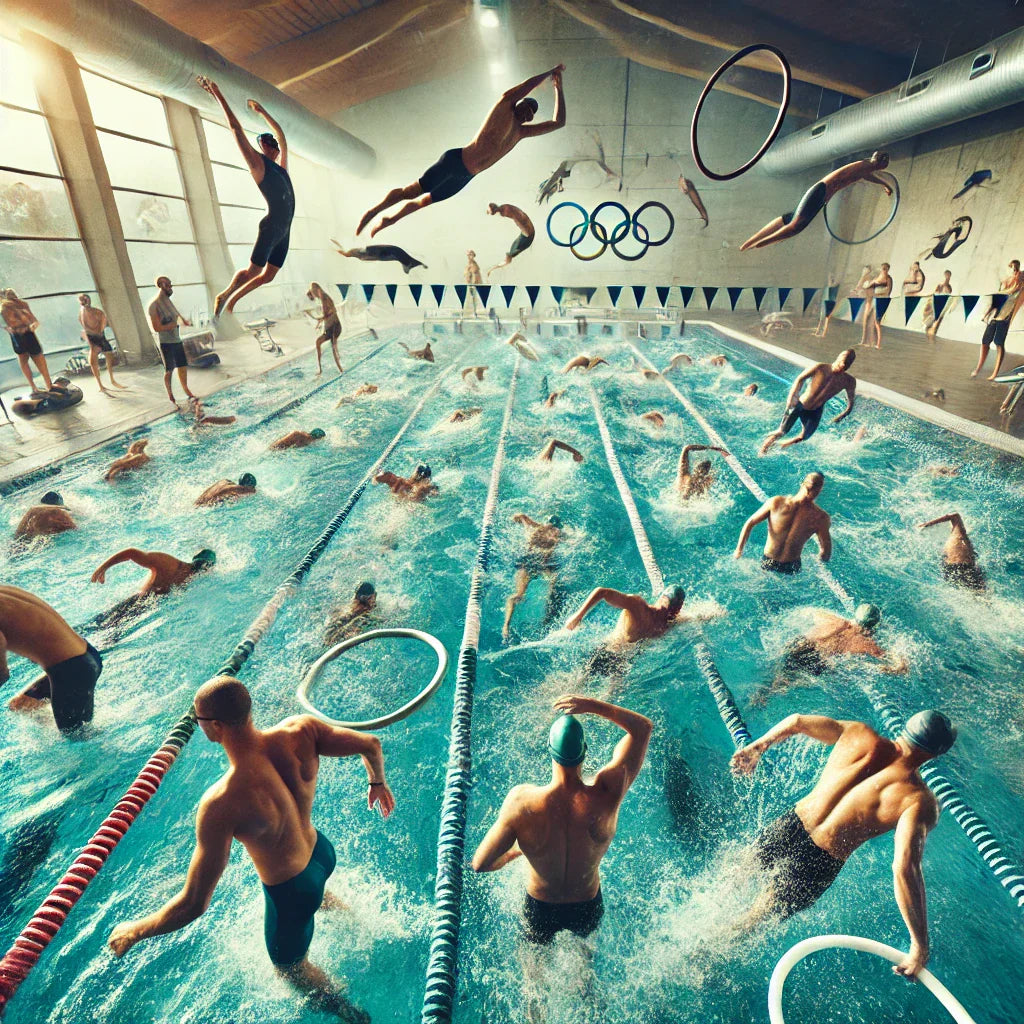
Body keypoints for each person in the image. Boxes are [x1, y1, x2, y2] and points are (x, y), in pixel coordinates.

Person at [108, 676, 393, 1021]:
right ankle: (358, 924)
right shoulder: (300, 730)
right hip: (321, 853)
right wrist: (377, 782)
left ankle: (353, 1015)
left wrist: (136, 930)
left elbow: (194, 903)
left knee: (290, 970)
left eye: (197, 719)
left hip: (292, 891)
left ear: (215, 726)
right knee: (313, 892)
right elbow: (371, 744)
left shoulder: (220, 802)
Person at [730, 709, 955, 979]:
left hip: (790, 825)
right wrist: (919, 947)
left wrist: (756, 748)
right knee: (751, 922)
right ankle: (703, 954)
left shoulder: (859, 733)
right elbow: (904, 869)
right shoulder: (919, 801)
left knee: (734, 877)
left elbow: (797, 721)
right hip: (818, 862)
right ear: (936, 754)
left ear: (906, 728)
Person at [471, 695, 651, 949]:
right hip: (587, 905)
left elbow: (480, 864)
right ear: (585, 750)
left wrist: (515, 853)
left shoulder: (521, 803)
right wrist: (592, 706)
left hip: (540, 906)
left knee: (533, 964)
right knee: (584, 959)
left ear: (549, 750)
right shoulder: (608, 793)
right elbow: (643, 728)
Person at [355, 65, 566, 237]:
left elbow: (558, 122)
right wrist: (550, 72)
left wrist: (558, 88)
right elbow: (526, 86)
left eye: (531, 113)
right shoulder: (505, 105)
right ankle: (375, 210)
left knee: (424, 201)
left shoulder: (520, 133)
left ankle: (390, 219)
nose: (528, 113)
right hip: (456, 161)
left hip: (465, 177)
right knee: (412, 192)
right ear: (519, 103)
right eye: (527, 107)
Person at [198, 78, 294, 317]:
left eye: (271, 142)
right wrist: (218, 94)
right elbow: (235, 129)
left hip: (285, 231)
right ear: (262, 147)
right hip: (272, 226)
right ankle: (224, 295)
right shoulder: (258, 165)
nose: (272, 144)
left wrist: (262, 112)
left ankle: (232, 302)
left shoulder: (281, 167)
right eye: (266, 142)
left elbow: (282, 137)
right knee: (254, 271)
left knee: (268, 276)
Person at [755, 603, 908, 703]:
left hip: (800, 645)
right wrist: (899, 665)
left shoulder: (833, 620)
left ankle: (758, 697)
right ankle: (764, 697)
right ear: (873, 626)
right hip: (816, 661)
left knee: (773, 676)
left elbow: (809, 612)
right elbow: (894, 662)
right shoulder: (866, 643)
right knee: (784, 683)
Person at [1, 584, 102, 733]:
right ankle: (60, 722)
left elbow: (2, 673)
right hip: (86, 654)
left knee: (76, 736)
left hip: (72, 669)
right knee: (20, 705)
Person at [740, 152, 891, 251]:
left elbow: (867, 176)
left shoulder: (865, 167)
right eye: (884, 166)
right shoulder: (866, 166)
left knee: (790, 219)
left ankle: (752, 243)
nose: (883, 169)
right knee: (796, 226)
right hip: (820, 192)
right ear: (881, 162)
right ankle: (760, 243)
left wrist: (884, 184)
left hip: (820, 193)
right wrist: (885, 184)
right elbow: (866, 175)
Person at [759, 350, 857, 455]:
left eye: (846, 366)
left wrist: (843, 415)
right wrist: (792, 396)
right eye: (841, 364)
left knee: (805, 437)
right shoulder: (820, 368)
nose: (842, 368)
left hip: (815, 411)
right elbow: (800, 379)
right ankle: (762, 452)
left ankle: (781, 446)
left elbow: (850, 403)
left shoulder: (849, 381)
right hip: (799, 404)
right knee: (781, 431)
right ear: (837, 359)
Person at [90, 548, 216, 628]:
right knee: (97, 626)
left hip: (143, 611)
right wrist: (103, 568)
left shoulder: (192, 580)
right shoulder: (170, 564)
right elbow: (132, 553)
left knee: (102, 630)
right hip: (134, 602)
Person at [734, 472, 832, 575]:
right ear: (819, 490)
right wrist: (738, 550)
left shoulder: (820, 517)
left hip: (782, 564)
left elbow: (750, 523)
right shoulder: (820, 517)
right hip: (786, 566)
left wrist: (739, 551)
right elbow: (825, 553)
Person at [502, 513, 564, 641]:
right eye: (553, 528)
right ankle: (506, 625)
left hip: (543, 565)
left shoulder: (555, 535)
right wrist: (521, 518)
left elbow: (522, 517)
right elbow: (521, 517)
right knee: (519, 595)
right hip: (529, 564)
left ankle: (547, 620)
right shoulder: (538, 532)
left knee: (554, 588)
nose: (554, 531)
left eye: (556, 529)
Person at [972, 259, 1023, 381]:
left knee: (999, 343)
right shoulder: (1005, 282)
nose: (1014, 272)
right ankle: (978, 368)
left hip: (1005, 317)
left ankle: (995, 373)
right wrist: (987, 313)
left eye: (1016, 269)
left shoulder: (1020, 286)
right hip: (995, 316)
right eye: (1012, 269)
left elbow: (1014, 298)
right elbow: (996, 300)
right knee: (985, 341)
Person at [148, 276, 195, 406]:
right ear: (162, 286)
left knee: (182, 366)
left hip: (176, 340)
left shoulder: (168, 302)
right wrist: (173, 325)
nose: (171, 288)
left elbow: (177, 315)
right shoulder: (154, 306)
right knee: (169, 370)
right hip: (166, 344)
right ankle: (170, 394)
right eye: (168, 285)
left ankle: (186, 389)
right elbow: (156, 328)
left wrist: (184, 321)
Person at [2, 289, 55, 392]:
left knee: (28, 359)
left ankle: (38, 386)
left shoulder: (9, 306)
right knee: (34, 359)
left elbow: (33, 320)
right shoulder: (16, 305)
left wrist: (10, 328)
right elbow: (33, 321)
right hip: (23, 334)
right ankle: (44, 385)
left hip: (20, 335)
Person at [918, 512, 985, 591]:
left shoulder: (957, 535)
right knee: (979, 593)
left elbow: (954, 515)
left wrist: (927, 524)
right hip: (963, 567)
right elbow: (955, 516)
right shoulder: (960, 535)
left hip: (950, 568)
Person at [78, 294, 124, 392]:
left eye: (86, 300)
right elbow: (84, 326)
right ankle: (101, 385)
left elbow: (103, 323)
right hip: (93, 338)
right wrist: (90, 334)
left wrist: (97, 332)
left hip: (99, 337)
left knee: (108, 354)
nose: (85, 302)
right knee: (94, 360)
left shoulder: (97, 312)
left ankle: (111, 380)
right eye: (83, 300)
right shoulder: (82, 313)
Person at [486, 202, 536, 276]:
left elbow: (507, 261)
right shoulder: (506, 209)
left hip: (527, 236)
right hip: (526, 235)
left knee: (509, 257)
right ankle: (492, 270)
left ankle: (491, 270)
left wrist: (491, 270)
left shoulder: (507, 211)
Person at [324, 582, 379, 646]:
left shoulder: (371, 611)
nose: (373, 604)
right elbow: (329, 642)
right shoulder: (343, 616)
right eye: (370, 600)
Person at [331, 238, 426, 275]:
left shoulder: (356, 253)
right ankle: (409, 264)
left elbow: (368, 253)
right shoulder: (357, 255)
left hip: (377, 252)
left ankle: (410, 263)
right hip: (378, 254)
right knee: (396, 255)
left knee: (396, 254)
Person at [305, 283, 342, 377]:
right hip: (330, 327)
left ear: (316, 290)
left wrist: (318, 319)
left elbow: (329, 313)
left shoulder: (324, 297)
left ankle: (341, 370)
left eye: (312, 292)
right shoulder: (322, 298)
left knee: (333, 346)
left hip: (334, 326)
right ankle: (321, 369)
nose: (313, 295)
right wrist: (320, 320)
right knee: (318, 342)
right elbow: (328, 314)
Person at [861, 264, 892, 349]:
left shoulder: (888, 278)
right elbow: (868, 286)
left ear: (888, 269)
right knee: (869, 319)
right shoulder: (877, 278)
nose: (884, 270)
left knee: (877, 322)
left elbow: (888, 291)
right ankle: (865, 341)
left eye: (885, 269)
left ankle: (878, 344)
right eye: (883, 269)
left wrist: (880, 293)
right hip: (875, 299)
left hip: (882, 300)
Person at [923, 270, 953, 339]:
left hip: (942, 301)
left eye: (948, 276)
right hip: (938, 300)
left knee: (937, 317)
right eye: (946, 275)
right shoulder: (940, 285)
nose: (947, 277)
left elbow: (948, 290)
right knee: (935, 317)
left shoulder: (947, 286)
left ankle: (932, 330)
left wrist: (946, 281)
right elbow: (937, 291)